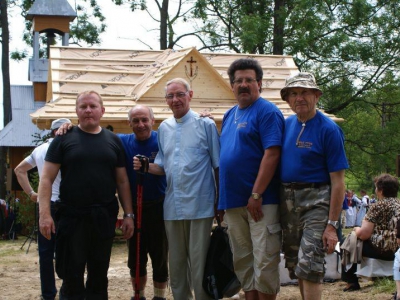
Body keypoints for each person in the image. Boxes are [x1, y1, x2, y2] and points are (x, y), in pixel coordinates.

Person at [38, 91, 134, 299]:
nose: (88, 110)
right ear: (76, 111)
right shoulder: (63, 140)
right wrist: (44, 214)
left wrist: (128, 215)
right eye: (83, 107)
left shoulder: (113, 141)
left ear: (102, 110)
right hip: (72, 218)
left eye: (92, 106)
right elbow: (45, 179)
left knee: (99, 276)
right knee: (71, 276)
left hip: (103, 218)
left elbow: (122, 180)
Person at [134, 78, 220, 300]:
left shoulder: (206, 124)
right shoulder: (164, 128)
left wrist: (221, 201)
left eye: (180, 94)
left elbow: (218, 165)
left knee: (199, 261)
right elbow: (162, 166)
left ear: (190, 95)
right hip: (172, 206)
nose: (175, 100)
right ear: (166, 101)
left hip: (200, 203)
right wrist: (145, 166)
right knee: (177, 264)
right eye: (170, 96)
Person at [216, 58, 284, 300]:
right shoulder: (229, 114)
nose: (243, 85)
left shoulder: (267, 112)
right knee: (243, 260)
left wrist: (256, 193)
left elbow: (272, 153)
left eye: (249, 80)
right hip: (233, 203)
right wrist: (221, 202)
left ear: (260, 84)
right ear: (232, 85)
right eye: (238, 81)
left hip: (261, 202)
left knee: (264, 260)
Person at [279, 72, 349, 300]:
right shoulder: (285, 125)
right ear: (288, 99)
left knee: (310, 264)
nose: (299, 98)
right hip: (287, 202)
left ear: (316, 96)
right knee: (297, 265)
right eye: (294, 93)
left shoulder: (329, 129)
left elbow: (338, 181)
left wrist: (332, 225)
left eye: (305, 93)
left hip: (317, 201)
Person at [14, 118, 70, 300]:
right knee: (69, 249)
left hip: (45, 204)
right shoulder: (67, 147)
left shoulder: (39, 150)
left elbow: (19, 170)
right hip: (64, 204)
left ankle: (48, 293)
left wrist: (31, 193)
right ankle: (67, 290)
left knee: (46, 252)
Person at [118, 105, 168, 300]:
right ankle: (137, 295)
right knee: (136, 257)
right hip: (134, 209)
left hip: (159, 206)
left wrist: (147, 165)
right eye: (136, 121)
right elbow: (96, 133)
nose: (141, 125)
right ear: (129, 123)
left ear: (152, 121)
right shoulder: (123, 141)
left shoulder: (162, 139)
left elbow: (168, 166)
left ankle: (159, 296)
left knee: (160, 255)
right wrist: (66, 127)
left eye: (144, 120)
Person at [342, 173, 400, 291]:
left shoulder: (377, 206)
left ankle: (351, 281)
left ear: (380, 190)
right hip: (398, 249)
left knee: (349, 241)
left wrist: (356, 229)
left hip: (382, 249)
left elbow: (364, 234)